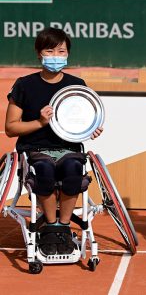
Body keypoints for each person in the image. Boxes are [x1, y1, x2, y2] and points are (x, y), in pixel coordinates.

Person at [5, 27, 103, 255]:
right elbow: (10, 128)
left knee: (73, 169)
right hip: (35, 149)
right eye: (50, 51)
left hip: (68, 149)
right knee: (44, 171)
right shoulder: (24, 85)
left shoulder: (77, 85)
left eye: (61, 51)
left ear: (68, 54)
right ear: (39, 53)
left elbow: (85, 120)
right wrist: (39, 122)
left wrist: (91, 129)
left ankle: (64, 227)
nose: (56, 56)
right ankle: (51, 227)